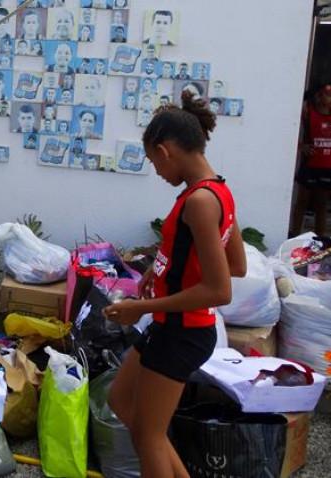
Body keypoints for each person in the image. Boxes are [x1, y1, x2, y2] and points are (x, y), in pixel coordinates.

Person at [104, 92, 246, 478]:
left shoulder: (200, 201)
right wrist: (161, 271)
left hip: (183, 332)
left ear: (166, 151)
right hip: (171, 326)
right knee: (121, 401)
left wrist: (140, 308)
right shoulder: (218, 190)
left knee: (148, 435)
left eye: (153, 162)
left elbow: (221, 289)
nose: (157, 172)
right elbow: (236, 263)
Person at [291, 84, 331, 236]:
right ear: (319, 96)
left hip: (327, 166)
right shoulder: (308, 112)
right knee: (302, 202)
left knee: (321, 205)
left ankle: (320, 240)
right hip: (310, 165)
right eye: (327, 95)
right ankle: (294, 236)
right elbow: (289, 129)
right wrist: (301, 146)